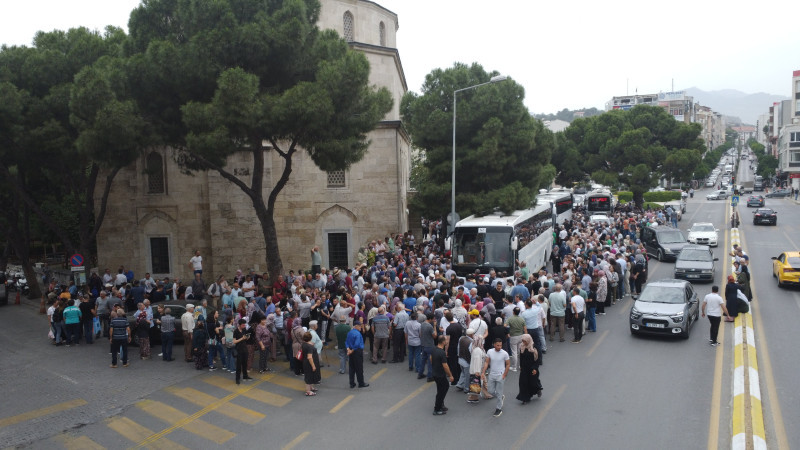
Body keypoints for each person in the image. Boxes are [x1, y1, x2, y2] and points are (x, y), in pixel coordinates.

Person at [482, 338, 510, 417]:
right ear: (494, 345)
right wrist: (483, 372)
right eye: (498, 345)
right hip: (492, 374)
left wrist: (504, 374)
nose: (499, 347)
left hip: (500, 375)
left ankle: (498, 408)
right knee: (490, 391)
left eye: (500, 345)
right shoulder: (490, 351)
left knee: (499, 392)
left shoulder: (504, 353)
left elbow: (508, 364)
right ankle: (500, 397)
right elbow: (487, 362)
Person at [430, 335, 454, 415]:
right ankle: (437, 409)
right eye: (446, 340)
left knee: (440, 389)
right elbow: (445, 365)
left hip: (435, 373)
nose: (447, 341)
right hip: (440, 374)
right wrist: (450, 375)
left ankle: (441, 405)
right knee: (442, 390)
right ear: (443, 342)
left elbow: (431, 358)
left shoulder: (434, 349)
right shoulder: (442, 352)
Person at [515, 334, 542, 405]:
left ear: (528, 340)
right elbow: (521, 357)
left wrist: (535, 368)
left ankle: (538, 389)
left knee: (533, 382)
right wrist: (520, 366)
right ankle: (525, 398)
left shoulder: (534, 348)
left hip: (532, 368)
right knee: (523, 383)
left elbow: (537, 359)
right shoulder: (522, 346)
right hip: (524, 368)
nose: (524, 342)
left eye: (525, 341)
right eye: (523, 341)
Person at [346, 318, 369, 388]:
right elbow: (356, 344)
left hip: (351, 351)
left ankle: (352, 383)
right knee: (359, 368)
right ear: (355, 326)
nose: (361, 327)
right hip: (357, 352)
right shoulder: (358, 334)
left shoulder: (350, 332)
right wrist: (352, 350)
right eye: (359, 326)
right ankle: (361, 383)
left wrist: (348, 350)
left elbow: (346, 342)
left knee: (351, 368)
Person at [417, 313, 437, 381]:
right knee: (430, 361)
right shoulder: (430, 326)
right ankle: (430, 376)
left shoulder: (422, 324)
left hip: (423, 344)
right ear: (430, 319)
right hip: (429, 345)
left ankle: (420, 373)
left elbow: (420, 334)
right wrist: (434, 326)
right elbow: (435, 336)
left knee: (423, 360)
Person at [467, 335, 487, 403]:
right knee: (476, 384)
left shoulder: (475, 349)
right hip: (478, 370)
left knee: (479, 383)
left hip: (477, 370)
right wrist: (478, 372)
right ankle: (473, 397)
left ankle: (486, 394)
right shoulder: (478, 350)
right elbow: (477, 361)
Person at [233, 319, 253, 384]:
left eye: (245, 324)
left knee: (245, 363)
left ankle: (245, 375)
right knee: (239, 365)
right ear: (239, 324)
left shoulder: (244, 330)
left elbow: (247, 336)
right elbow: (234, 341)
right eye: (243, 325)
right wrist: (242, 338)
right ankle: (237, 378)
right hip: (239, 350)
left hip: (245, 349)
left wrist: (247, 337)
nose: (244, 326)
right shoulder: (236, 331)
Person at [506, 307, 525, 372]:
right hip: (521, 336)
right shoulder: (522, 319)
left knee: (514, 352)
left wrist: (507, 333)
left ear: (513, 312)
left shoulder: (510, 319)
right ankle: (521, 365)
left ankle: (514, 367)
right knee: (520, 351)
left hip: (513, 336)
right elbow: (525, 328)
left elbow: (505, 325)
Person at [302, 332, 321, 396]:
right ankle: (308, 391)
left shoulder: (304, 344)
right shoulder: (309, 347)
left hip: (305, 362)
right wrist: (313, 366)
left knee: (309, 375)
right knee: (309, 376)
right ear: (310, 338)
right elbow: (310, 357)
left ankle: (310, 388)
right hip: (309, 363)